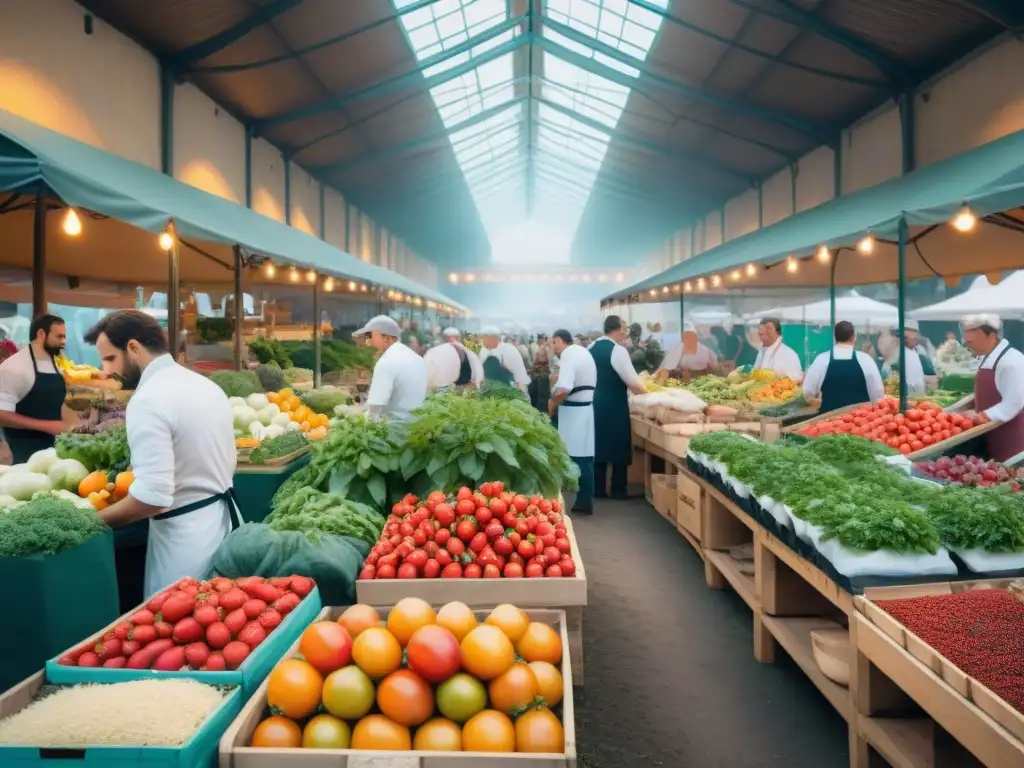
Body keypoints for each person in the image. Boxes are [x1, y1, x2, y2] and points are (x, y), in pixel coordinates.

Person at [83, 310, 239, 601]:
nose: (106, 370)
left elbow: (151, 497)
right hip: (221, 526)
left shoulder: (148, 400)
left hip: (183, 545)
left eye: (110, 358)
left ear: (133, 348)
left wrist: (91, 522)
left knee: (179, 633)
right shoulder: (206, 385)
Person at [0, 314, 79, 463]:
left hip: (57, 451)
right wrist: (48, 426)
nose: (63, 342)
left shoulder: (54, 362)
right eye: (59, 337)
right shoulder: (14, 368)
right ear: (41, 334)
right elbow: (2, 415)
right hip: (24, 454)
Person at [590, 316, 646, 500]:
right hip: (615, 403)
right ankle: (618, 489)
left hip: (594, 402)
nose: (626, 331)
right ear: (618, 329)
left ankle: (598, 488)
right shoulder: (618, 351)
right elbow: (633, 382)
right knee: (619, 444)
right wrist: (647, 394)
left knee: (598, 444)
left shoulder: (590, 348)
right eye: (624, 327)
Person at [961, 314, 1024, 462]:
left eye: (972, 341)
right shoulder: (987, 357)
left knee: (1011, 475)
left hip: (1012, 434)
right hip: (991, 432)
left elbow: (1014, 402)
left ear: (991, 337)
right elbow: (990, 392)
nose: (968, 344)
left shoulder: (1012, 362)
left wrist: (982, 416)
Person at [549, 330, 597, 515]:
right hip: (581, 409)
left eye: (554, 342)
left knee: (580, 458)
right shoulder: (580, 351)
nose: (553, 346)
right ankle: (583, 499)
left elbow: (564, 388)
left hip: (576, 412)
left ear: (561, 341)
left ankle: (584, 501)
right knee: (582, 455)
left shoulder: (569, 354)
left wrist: (552, 404)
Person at [803, 320, 885, 413]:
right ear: (854, 337)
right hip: (860, 421)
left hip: (828, 421)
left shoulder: (821, 360)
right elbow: (878, 395)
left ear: (835, 338)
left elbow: (808, 391)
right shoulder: (866, 360)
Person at [355, 316, 427, 421]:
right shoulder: (417, 358)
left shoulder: (386, 362)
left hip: (394, 429)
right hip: (417, 425)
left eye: (370, 335)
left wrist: (356, 419)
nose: (368, 341)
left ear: (386, 338)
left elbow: (374, 408)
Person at [479, 326, 530, 390]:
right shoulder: (484, 350)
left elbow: (520, 378)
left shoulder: (509, 350)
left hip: (505, 390)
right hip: (494, 390)